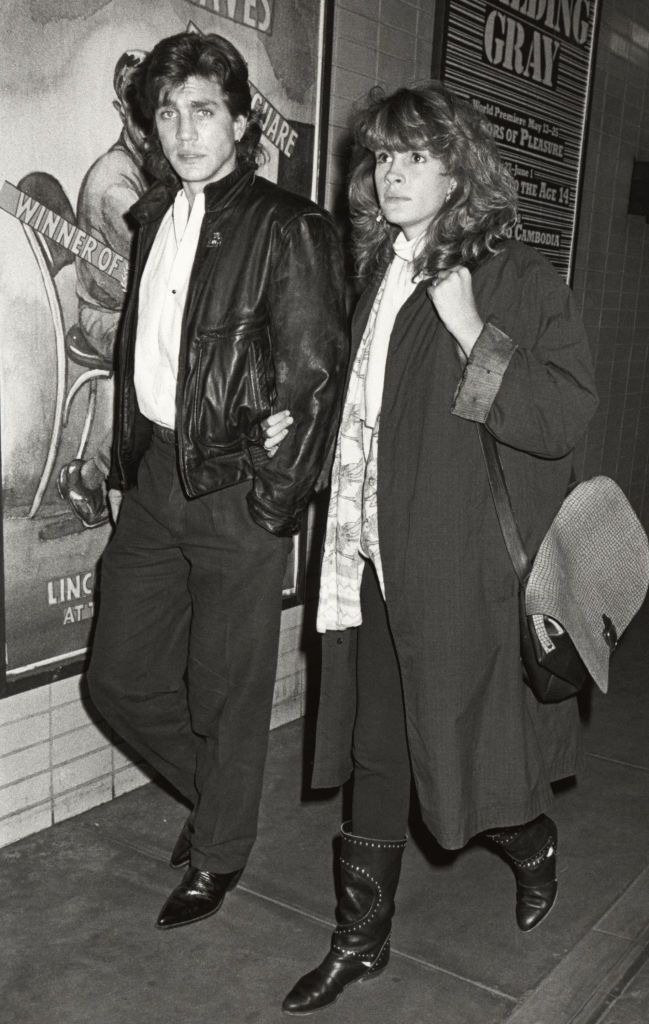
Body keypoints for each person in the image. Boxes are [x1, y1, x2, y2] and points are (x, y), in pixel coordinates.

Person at [264, 82, 598, 1015]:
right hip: (371, 564)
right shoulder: (377, 270)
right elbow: (371, 411)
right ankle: (358, 941)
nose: (393, 173)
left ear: (461, 170)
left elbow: (562, 414)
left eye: (416, 155)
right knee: (380, 753)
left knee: (464, 755)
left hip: (461, 574)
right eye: (382, 157)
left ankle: (529, 843)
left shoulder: (514, 278)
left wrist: (468, 329)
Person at [86, 31, 347, 931]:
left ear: (240, 119)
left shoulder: (288, 225)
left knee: (226, 686)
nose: (185, 129)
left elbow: (314, 380)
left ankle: (221, 852)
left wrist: (271, 502)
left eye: (203, 110)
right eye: (168, 113)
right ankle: (220, 798)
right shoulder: (155, 213)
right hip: (161, 471)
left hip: (238, 485)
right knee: (116, 676)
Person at [57, 50, 150, 528]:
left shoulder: (140, 167)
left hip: (125, 309)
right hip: (105, 317)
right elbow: (159, 273)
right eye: (141, 110)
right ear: (121, 111)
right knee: (158, 357)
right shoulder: (116, 185)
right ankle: (93, 478)